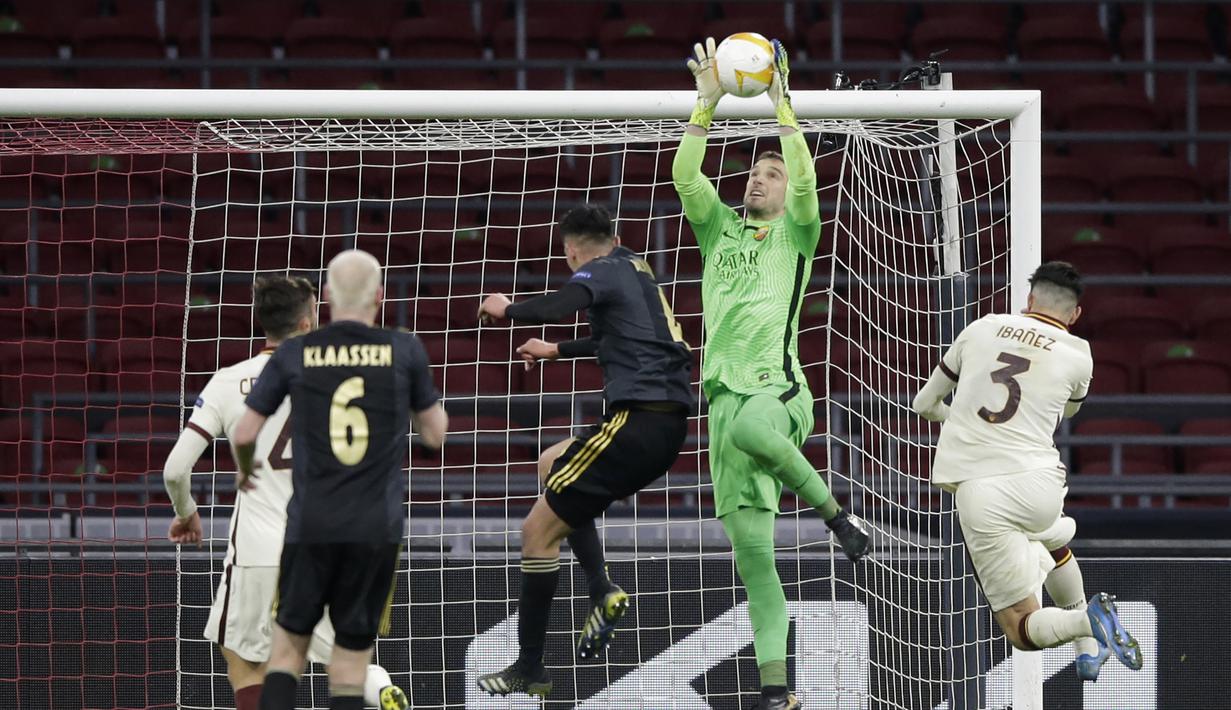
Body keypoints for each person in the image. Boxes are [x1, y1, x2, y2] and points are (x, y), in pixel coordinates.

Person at [672, 38, 870, 710]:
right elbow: (683, 176)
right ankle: (776, 692)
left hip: (776, 391)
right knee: (754, 562)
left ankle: (836, 516)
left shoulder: (799, 233)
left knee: (759, 432)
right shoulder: (718, 229)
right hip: (720, 404)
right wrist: (705, 106)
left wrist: (783, 103)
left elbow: (807, 181)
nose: (758, 179)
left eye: (770, 173)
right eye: (753, 172)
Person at [473, 204, 693, 700]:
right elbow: (616, 337)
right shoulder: (635, 266)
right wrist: (556, 351)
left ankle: (530, 666)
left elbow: (556, 305)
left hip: (638, 421)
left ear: (572, 250)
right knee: (553, 462)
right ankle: (600, 589)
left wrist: (504, 307)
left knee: (536, 532)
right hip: (661, 423)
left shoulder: (598, 270)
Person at [162, 275, 409, 710]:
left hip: (259, 551)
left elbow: (176, 469)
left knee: (243, 659)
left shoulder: (228, 381)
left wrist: (187, 511)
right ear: (306, 321)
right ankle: (381, 687)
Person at [229, 251, 449, 710]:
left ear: (325, 298)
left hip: (311, 524)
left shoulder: (295, 351)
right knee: (350, 662)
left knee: (288, 650)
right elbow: (435, 434)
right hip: (375, 529)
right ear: (380, 297)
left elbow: (245, 432)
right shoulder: (404, 349)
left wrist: (247, 467)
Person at [912, 261, 1143, 681]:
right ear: (1075, 315)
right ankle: (1088, 648)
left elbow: (924, 406)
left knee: (1020, 627)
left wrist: (962, 420)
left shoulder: (980, 328)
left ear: (1029, 298)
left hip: (983, 491)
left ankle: (1085, 624)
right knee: (1048, 539)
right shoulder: (1080, 355)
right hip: (1040, 480)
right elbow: (1066, 411)